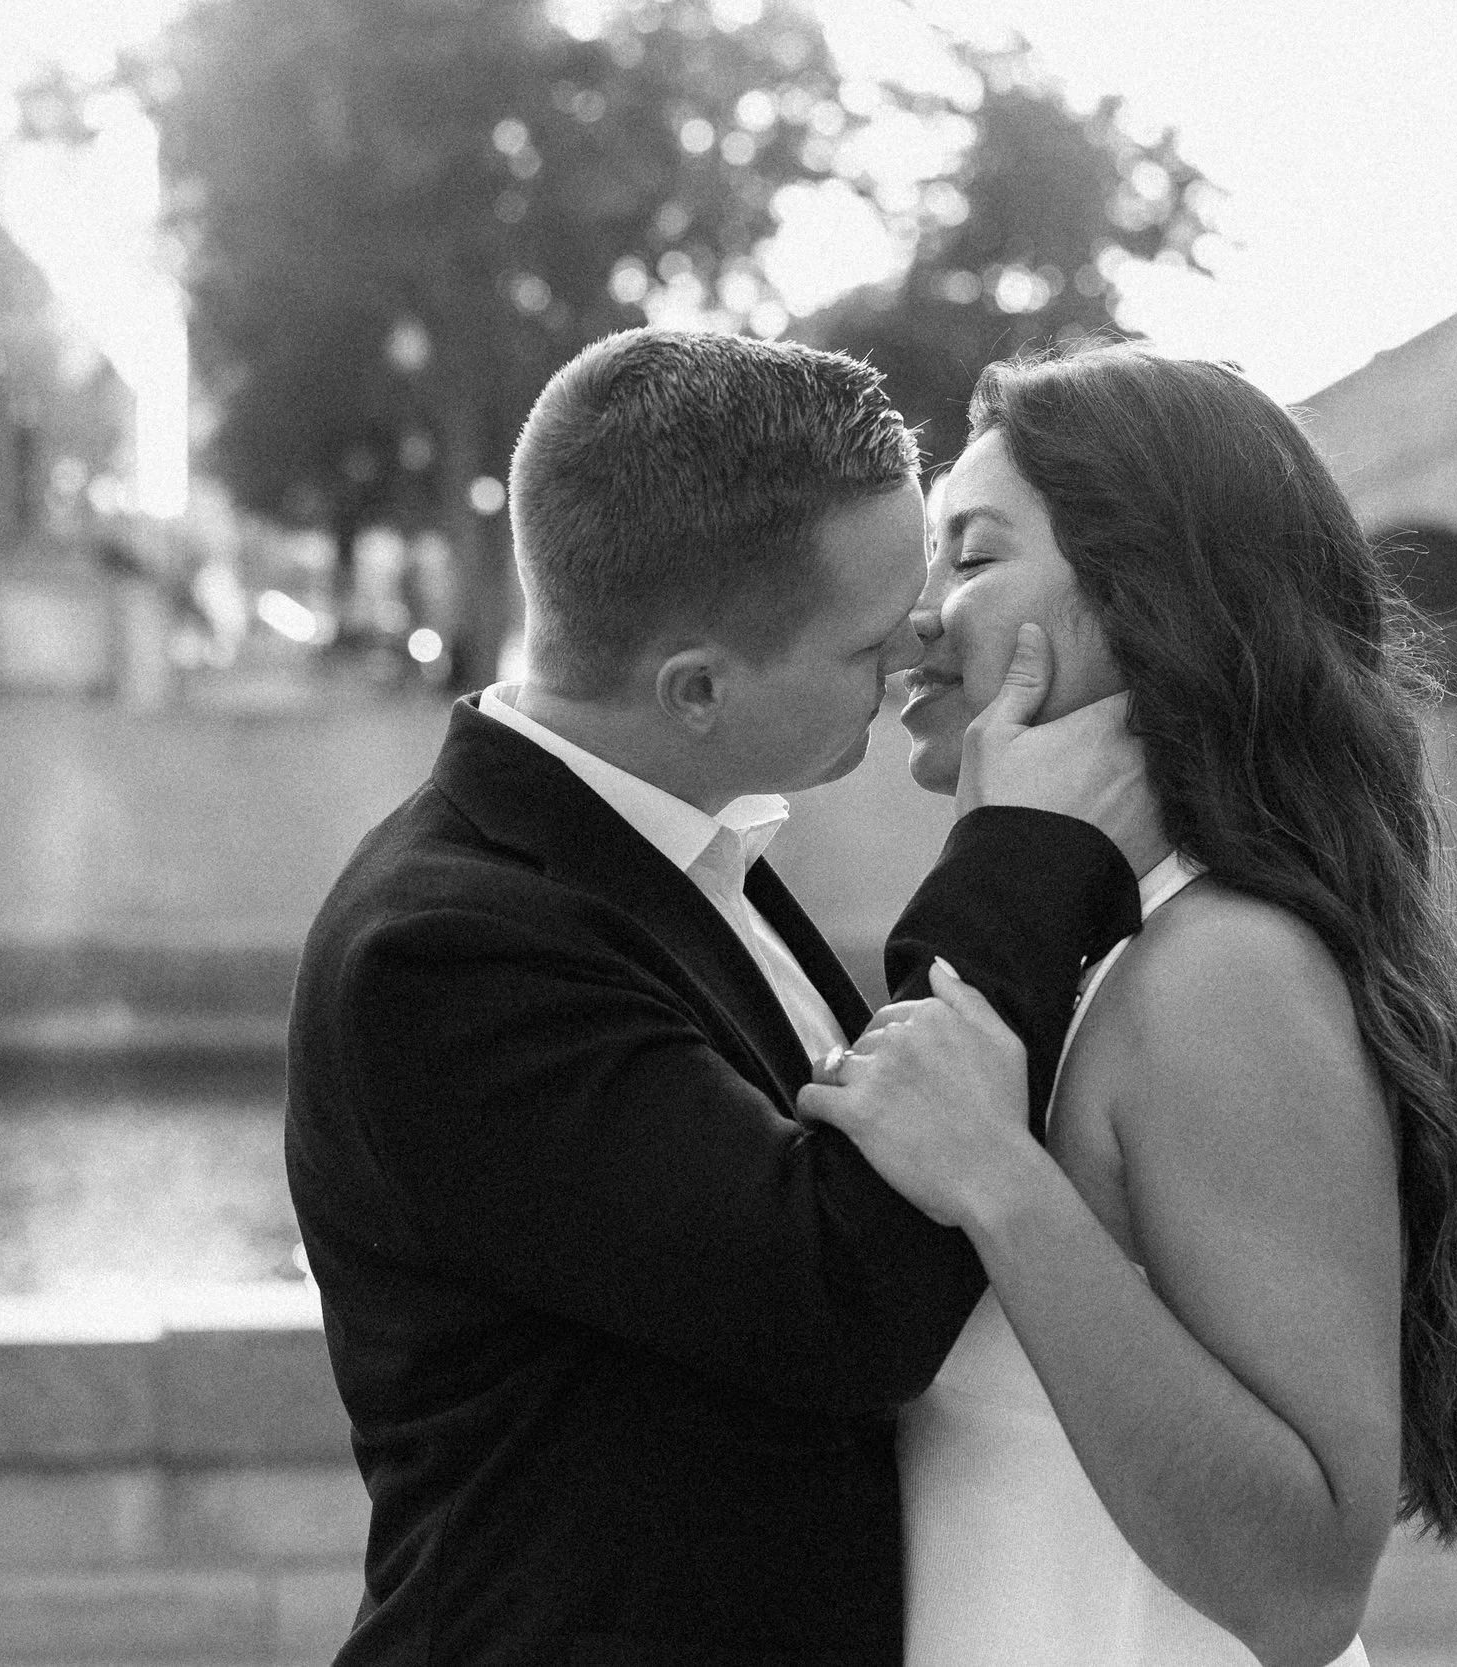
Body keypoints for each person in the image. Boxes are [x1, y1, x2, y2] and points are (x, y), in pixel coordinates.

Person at [284, 328, 1160, 1667]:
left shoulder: (674, 849)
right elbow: (843, 1309)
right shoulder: (447, 952)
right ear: (696, 687)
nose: (918, 647)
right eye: (866, 641)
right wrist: (1023, 860)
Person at [801, 343, 1457, 1667]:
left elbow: (1305, 1588)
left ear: (1145, 598)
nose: (917, 620)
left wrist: (1000, 1182)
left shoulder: (1219, 971)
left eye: (972, 558)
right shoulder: (1109, 952)